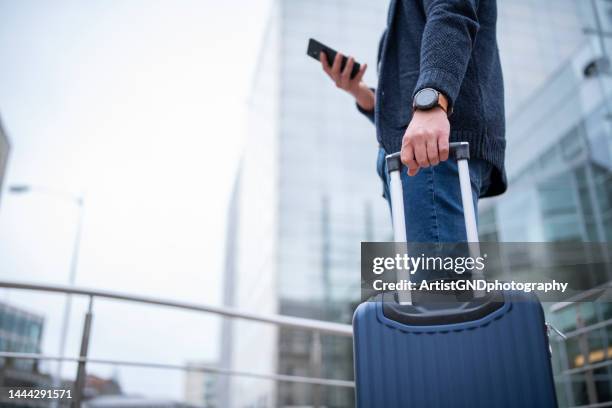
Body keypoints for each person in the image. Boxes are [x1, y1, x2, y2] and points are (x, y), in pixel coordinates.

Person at [319, 0, 505, 243]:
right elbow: (402, 107)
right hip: (423, 152)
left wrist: (432, 99)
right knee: (433, 277)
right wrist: (360, 93)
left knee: (438, 279)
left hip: (431, 152)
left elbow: (451, 10)